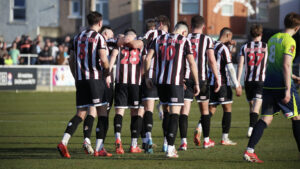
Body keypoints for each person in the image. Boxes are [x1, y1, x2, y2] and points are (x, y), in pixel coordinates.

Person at [243, 12, 300, 163]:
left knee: (266, 119)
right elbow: (286, 64)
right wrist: (288, 88)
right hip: (282, 86)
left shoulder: (273, 39)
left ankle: (249, 151)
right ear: (297, 27)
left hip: (268, 85)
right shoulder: (290, 41)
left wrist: (293, 76)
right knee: (297, 117)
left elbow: (273, 63)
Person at [57, 11, 111, 158]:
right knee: (102, 112)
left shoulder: (77, 37)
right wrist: (107, 72)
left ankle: (64, 142)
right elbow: (104, 60)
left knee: (80, 114)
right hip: (95, 80)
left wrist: (76, 77)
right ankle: (100, 148)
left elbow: (71, 60)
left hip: (81, 80)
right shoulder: (99, 38)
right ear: (100, 23)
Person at [145, 21, 200, 158]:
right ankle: (170, 148)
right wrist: (197, 83)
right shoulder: (184, 41)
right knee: (175, 114)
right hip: (175, 82)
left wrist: (147, 77)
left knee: (166, 113)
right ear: (183, 32)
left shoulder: (157, 39)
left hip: (161, 82)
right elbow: (192, 63)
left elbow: (147, 58)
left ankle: (167, 144)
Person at [179, 16, 220, 151]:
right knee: (205, 111)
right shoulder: (207, 39)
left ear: (190, 26)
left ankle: (183, 142)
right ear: (203, 26)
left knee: (184, 111)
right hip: (201, 79)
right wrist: (217, 77)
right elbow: (212, 61)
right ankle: (206, 141)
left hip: (186, 79)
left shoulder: (184, 39)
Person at [108, 28, 144, 154]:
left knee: (119, 112)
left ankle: (118, 138)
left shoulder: (119, 45)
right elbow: (144, 62)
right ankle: (133, 145)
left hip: (120, 83)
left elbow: (112, 58)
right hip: (135, 84)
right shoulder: (139, 44)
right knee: (135, 113)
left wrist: (108, 73)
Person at [141, 15, 170, 153]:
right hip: (166, 77)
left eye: (157, 22)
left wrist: (146, 75)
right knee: (167, 111)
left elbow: (145, 54)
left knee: (148, 110)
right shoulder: (171, 36)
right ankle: (166, 142)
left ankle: (149, 141)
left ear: (160, 23)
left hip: (151, 75)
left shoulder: (151, 33)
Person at [208, 27, 242, 146]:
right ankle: (224, 138)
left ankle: (199, 128)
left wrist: (230, 46)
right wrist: (237, 84)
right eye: (230, 37)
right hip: (222, 83)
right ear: (228, 35)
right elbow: (230, 67)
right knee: (227, 109)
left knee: (210, 109)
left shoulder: (212, 45)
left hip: (211, 82)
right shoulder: (223, 48)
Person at [237, 24, 268, 137]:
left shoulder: (244, 47)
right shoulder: (266, 46)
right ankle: (251, 128)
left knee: (252, 105)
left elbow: (240, 65)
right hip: (260, 80)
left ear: (251, 34)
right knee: (256, 106)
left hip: (248, 81)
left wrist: (237, 83)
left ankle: (252, 126)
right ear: (261, 34)